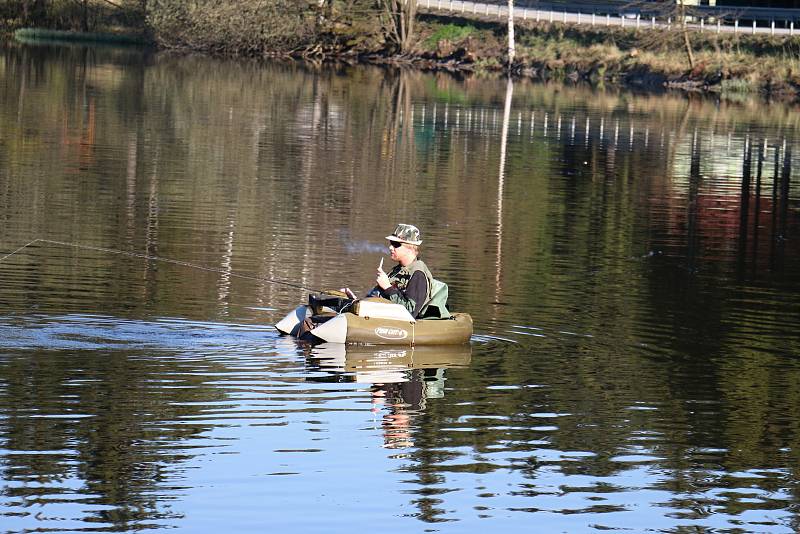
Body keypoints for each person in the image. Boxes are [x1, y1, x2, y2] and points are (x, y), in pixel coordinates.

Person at [368, 223, 434, 319]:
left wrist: (387, 287)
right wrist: (354, 299)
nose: (390, 247)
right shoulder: (398, 270)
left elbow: (410, 311)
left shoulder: (418, 274)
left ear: (410, 248)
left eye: (396, 244)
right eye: (391, 243)